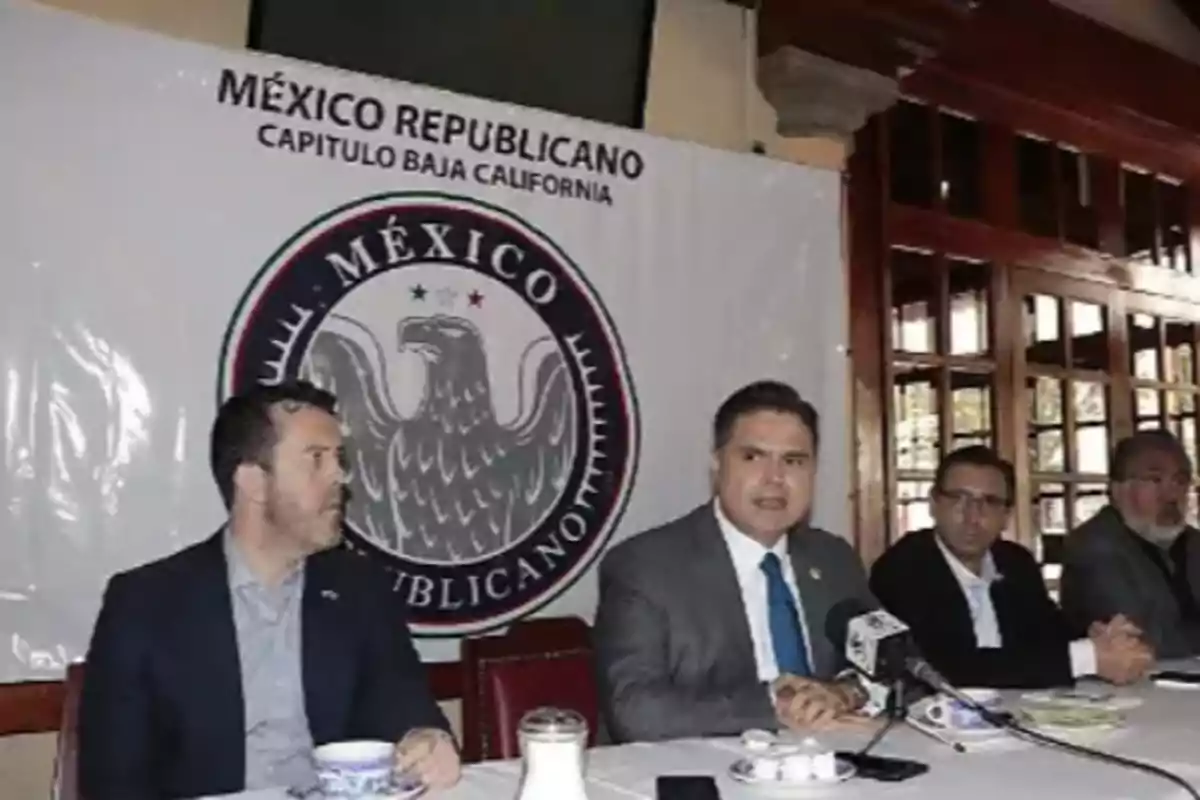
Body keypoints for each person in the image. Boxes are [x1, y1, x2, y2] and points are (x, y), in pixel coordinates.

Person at [78, 381, 460, 800]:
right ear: (253, 483)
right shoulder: (145, 604)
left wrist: (426, 736)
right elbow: (112, 783)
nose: (339, 476)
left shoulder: (359, 587)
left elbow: (400, 693)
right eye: (316, 460)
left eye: (338, 459)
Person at [593, 380, 879, 743]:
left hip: (830, 767)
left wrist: (844, 693)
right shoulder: (645, 566)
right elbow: (635, 711)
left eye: (793, 461)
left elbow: (898, 670)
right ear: (716, 464)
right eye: (753, 457)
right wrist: (775, 706)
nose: (775, 479)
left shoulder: (833, 558)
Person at [869, 445, 1152, 690]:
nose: (972, 517)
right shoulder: (903, 567)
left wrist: (1100, 639)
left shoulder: (1015, 562)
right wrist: (1087, 657)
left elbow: (1047, 635)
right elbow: (945, 666)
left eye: (989, 503)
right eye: (959, 499)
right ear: (933, 504)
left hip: (1019, 714)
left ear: (1006, 516)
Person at [1061, 429, 1200, 658]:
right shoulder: (1093, 547)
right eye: (1155, 479)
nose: (1171, 494)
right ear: (1117, 490)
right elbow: (1141, 640)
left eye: (1180, 480)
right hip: (1125, 689)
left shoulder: (1193, 542)